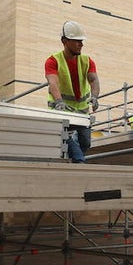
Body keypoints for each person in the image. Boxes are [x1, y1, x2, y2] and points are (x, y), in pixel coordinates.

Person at [45, 20, 100, 163]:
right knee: (68, 140)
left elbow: (93, 80)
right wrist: (58, 101)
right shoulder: (53, 61)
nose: (81, 44)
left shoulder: (87, 61)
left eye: (81, 41)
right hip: (62, 110)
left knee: (86, 143)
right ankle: (79, 163)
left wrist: (94, 97)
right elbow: (53, 82)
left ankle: (75, 161)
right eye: (76, 41)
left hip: (82, 112)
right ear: (64, 41)